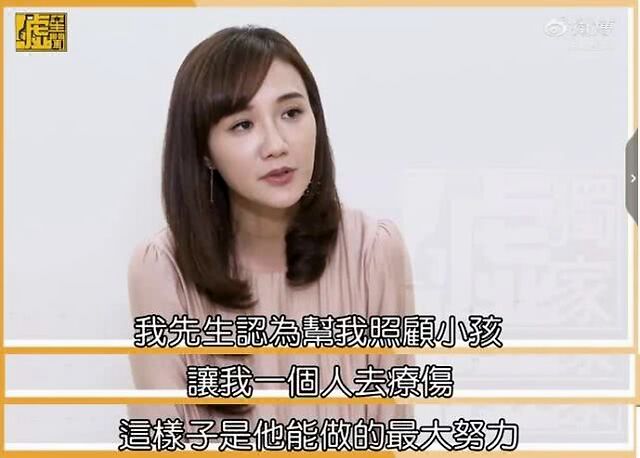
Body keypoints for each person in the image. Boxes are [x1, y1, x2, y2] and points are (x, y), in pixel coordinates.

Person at [127, 25, 415, 431]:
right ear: (204, 152)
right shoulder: (162, 268)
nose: (277, 144)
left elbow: (392, 429)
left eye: (291, 113)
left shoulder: (374, 251)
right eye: (242, 124)